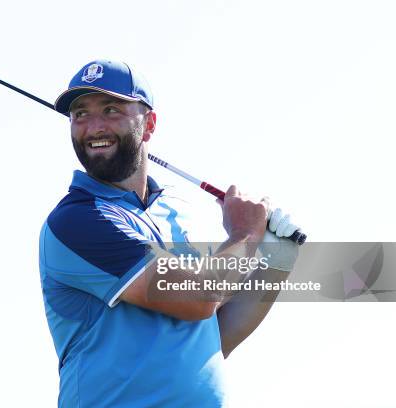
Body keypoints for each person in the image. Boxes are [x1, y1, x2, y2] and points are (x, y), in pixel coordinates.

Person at [38, 60, 300, 407]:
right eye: (80, 114)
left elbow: (215, 334)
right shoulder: (76, 221)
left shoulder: (176, 215)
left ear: (149, 125)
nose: (93, 127)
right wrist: (245, 233)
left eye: (111, 109)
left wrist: (277, 257)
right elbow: (199, 298)